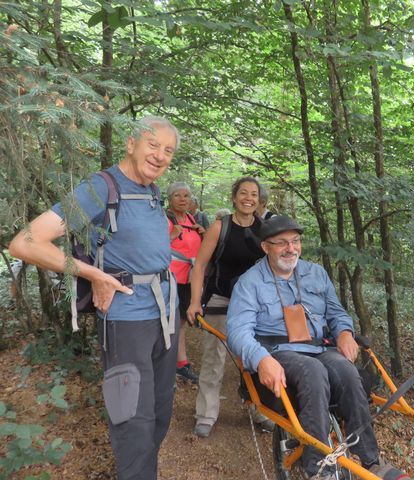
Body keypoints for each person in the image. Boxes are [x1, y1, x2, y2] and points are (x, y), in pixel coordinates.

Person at [9, 116, 181, 479]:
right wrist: (93, 274)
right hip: (127, 320)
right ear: (130, 143)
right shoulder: (99, 189)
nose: (161, 156)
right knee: (132, 418)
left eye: (168, 151)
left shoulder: (152, 191)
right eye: (153, 145)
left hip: (165, 318)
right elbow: (25, 242)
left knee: (160, 412)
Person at [226, 215, 407, 480]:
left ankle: (371, 460)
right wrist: (260, 359)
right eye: (282, 243)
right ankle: (318, 468)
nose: (291, 248)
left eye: (296, 241)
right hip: (279, 353)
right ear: (265, 246)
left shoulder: (316, 273)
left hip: (321, 347)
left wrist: (345, 332)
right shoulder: (249, 283)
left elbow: (337, 313)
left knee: (347, 371)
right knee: (312, 371)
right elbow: (238, 331)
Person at [186, 176, 267, 438]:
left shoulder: (265, 229)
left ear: (259, 200)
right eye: (244, 193)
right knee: (214, 357)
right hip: (220, 299)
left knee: (257, 357)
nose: (248, 198)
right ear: (234, 197)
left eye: (253, 194)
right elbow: (199, 265)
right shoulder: (220, 227)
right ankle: (206, 415)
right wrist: (195, 301)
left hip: (255, 305)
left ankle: (261, 410)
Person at [166, 182, 205, 384]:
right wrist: (169, 236)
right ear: (170, 199)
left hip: (189, 278)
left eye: (186, 196)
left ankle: (180, 363)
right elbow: (150, 246)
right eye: (177, 196)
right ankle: (171, 363)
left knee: (181, 322)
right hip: (171, 278)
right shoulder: (165, 219)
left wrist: (203, 234)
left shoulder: (191, 219)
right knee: (170, 322)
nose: (182, 199)